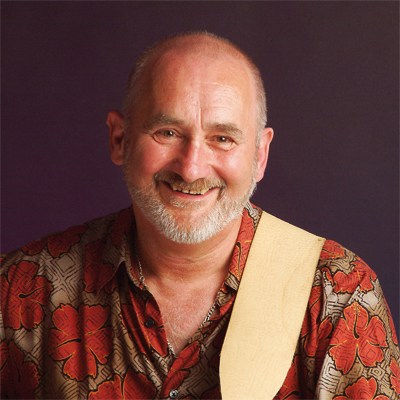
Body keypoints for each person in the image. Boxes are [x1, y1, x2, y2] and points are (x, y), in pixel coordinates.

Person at [1, 32, 399, 400]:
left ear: (260, 155)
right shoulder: (23, 289)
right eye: (167, 132)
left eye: (222, 138)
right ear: (119, 139)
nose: (191, 169)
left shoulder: (338, 295)